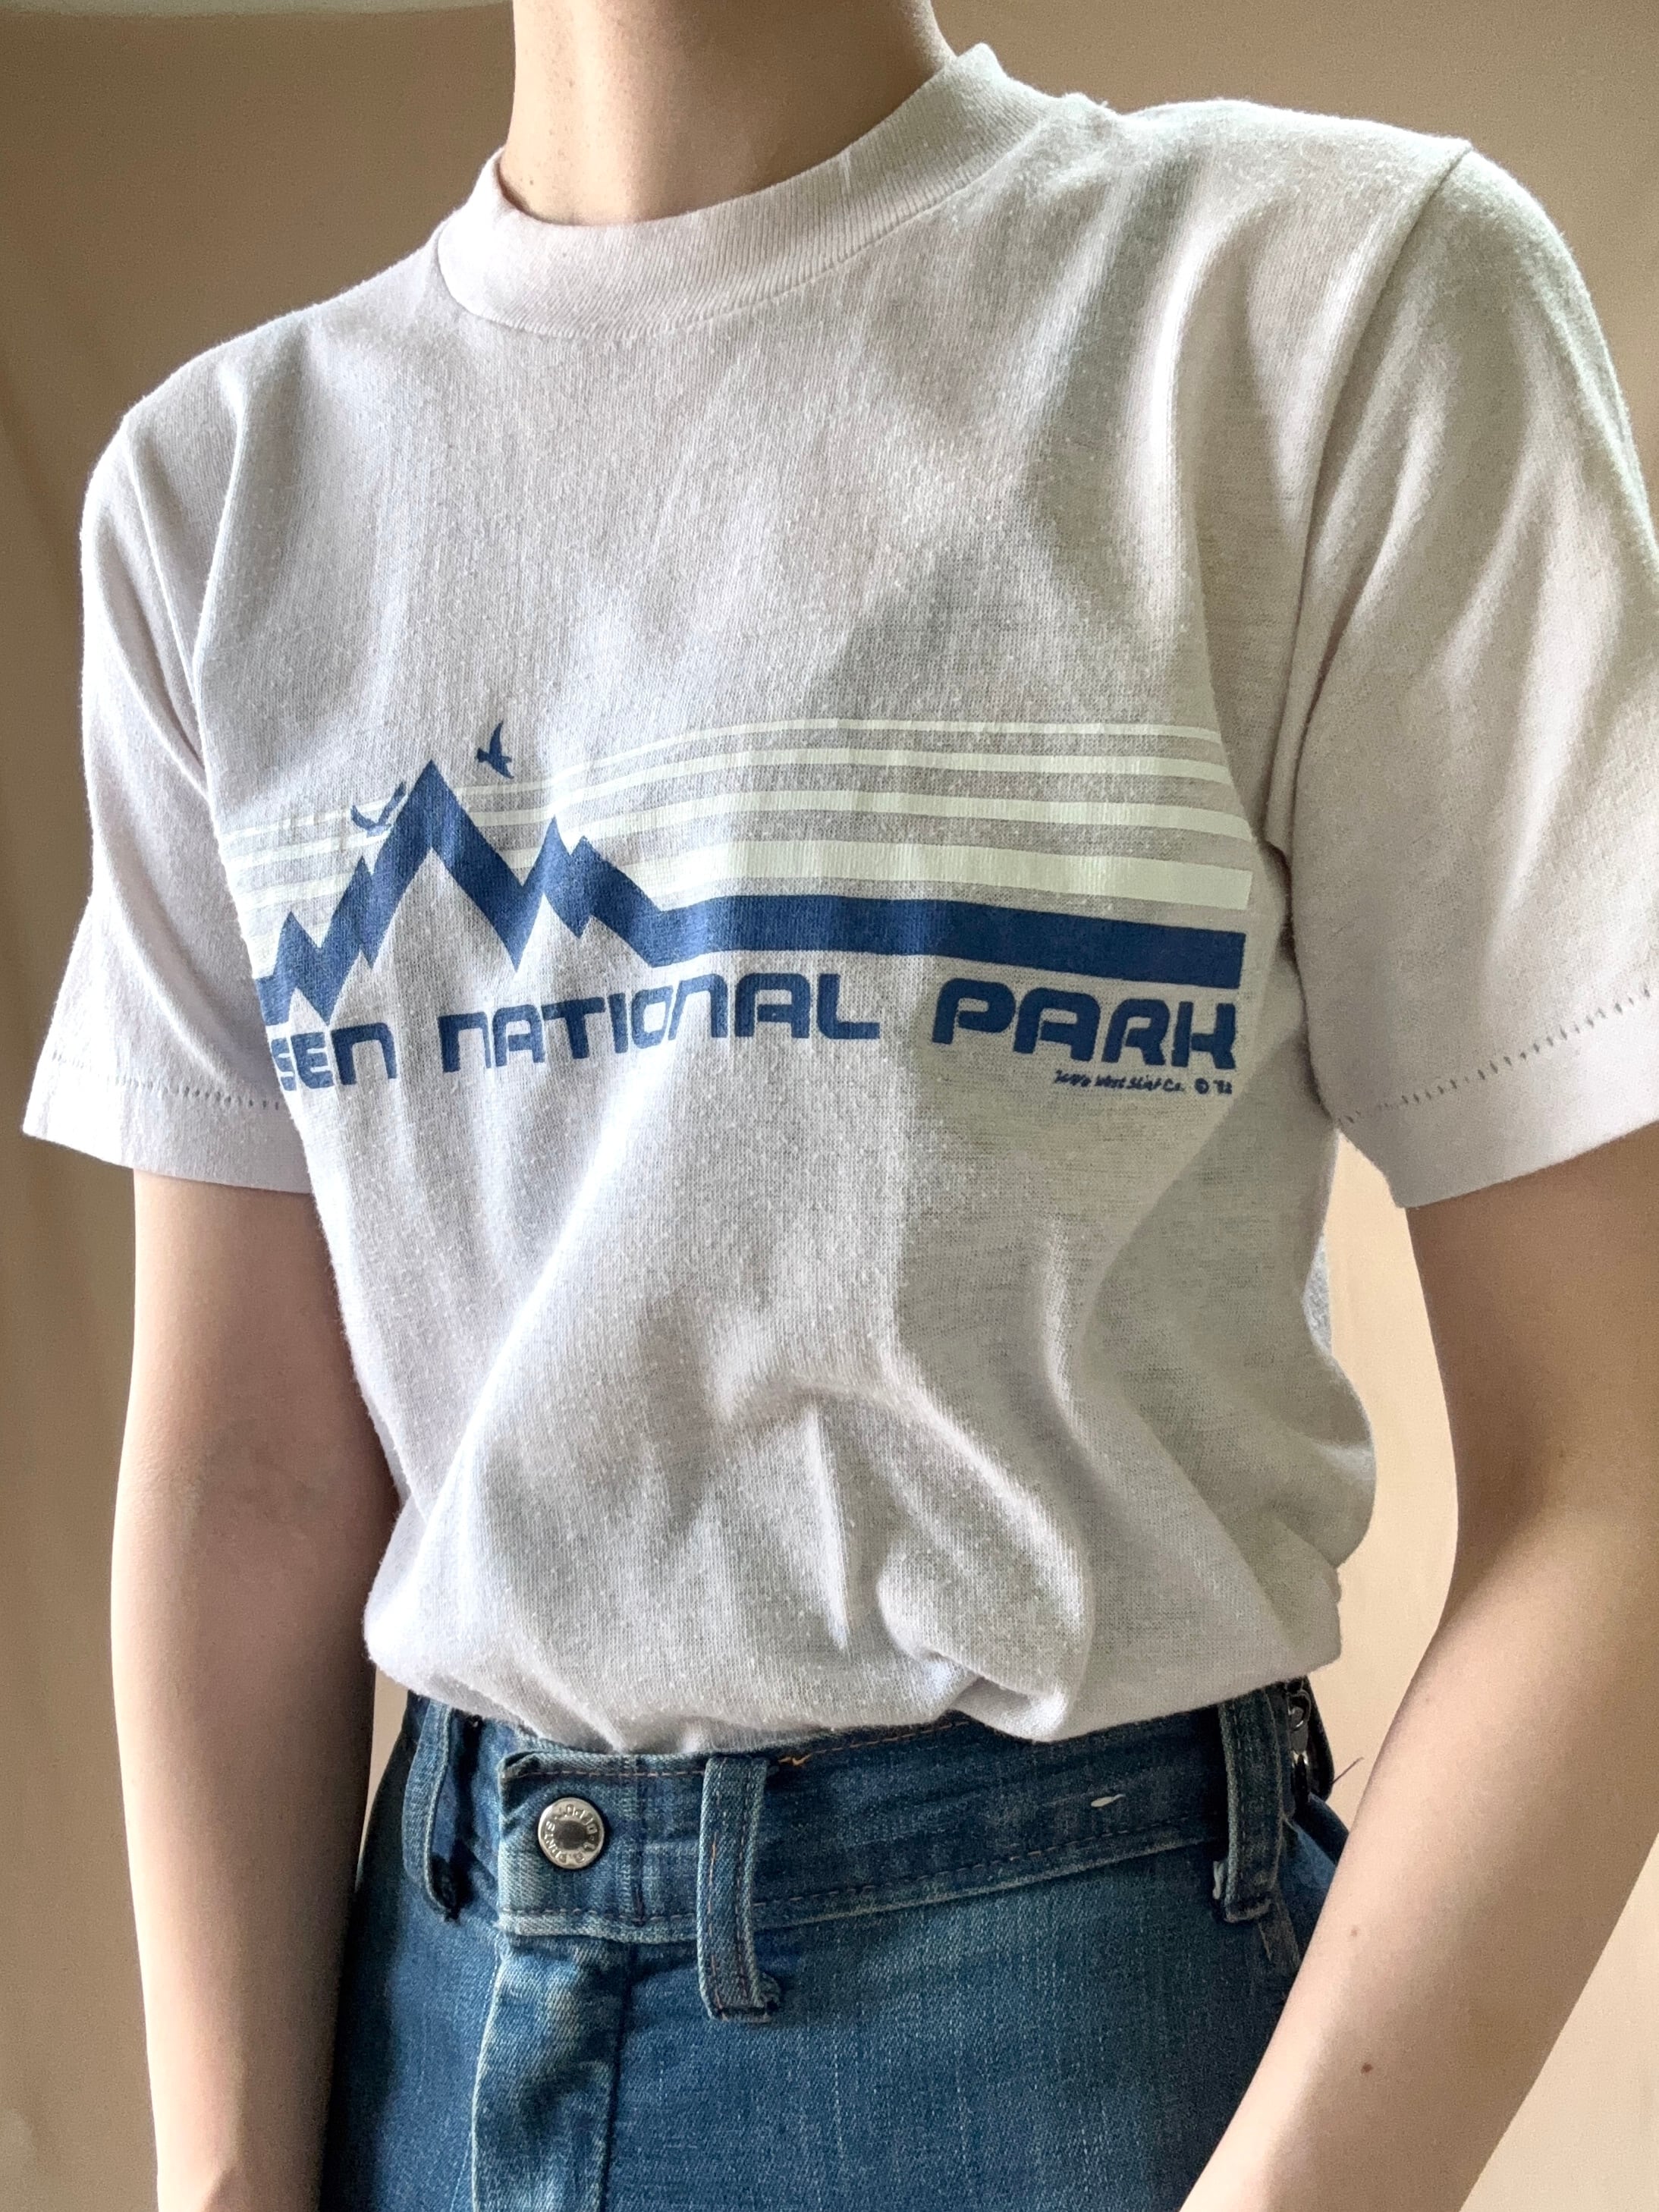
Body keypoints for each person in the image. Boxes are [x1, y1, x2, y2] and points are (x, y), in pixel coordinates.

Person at [23, 1, 1659, 2206]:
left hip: (1061, 2043)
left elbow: (1616, 1464)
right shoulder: (220, 493)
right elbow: (250, 1475)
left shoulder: (1319, 309)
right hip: (426, 2026)